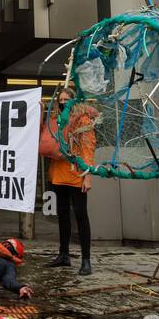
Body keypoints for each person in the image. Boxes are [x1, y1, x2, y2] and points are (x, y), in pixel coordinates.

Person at [46, 84, 96, 275]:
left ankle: (86, 260)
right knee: (63, 215)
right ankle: (64, 255)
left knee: (81, 216)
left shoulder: (82, 120)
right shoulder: (56, 119)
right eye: (61, 101)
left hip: (77, 174)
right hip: (58, 174)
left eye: (67, 100)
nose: (63, 104)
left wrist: (88, 176)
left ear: (74, 101)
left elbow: (88, 149)